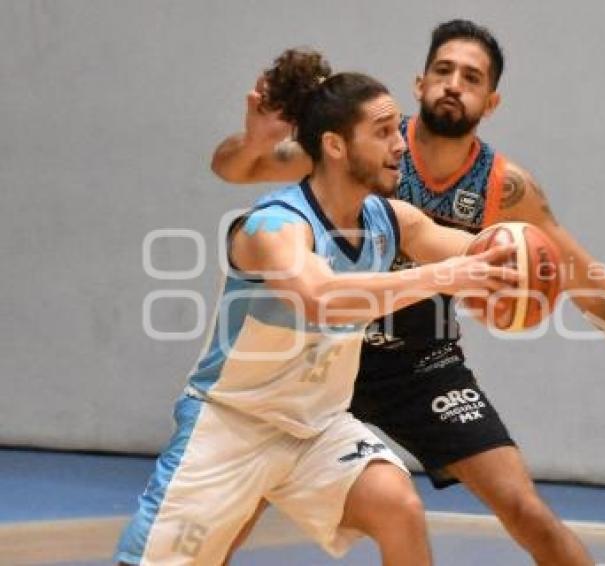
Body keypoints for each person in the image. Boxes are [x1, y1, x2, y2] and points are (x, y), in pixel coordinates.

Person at [212, 20, 605, 566]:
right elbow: (233, 168)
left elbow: (583, 277)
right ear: (419, 83)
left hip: (422, 364)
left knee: (525, 508)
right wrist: (252, 142)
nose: (453, 84)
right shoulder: (367, 147)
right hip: (325, 354)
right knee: (237, 505)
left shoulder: (503, 187)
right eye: (443, 70)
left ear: (492, 100)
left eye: (471, 77)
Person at [115, 48, 518, 565]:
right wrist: (445, 276)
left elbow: (475, 250)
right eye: (384, 132)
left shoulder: (391, 219)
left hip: (317, 429)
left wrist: (515, 264)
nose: (400, 145)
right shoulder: (274, 226)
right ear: (334, 144)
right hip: (235, 425)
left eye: (399, 129)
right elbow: (320, 297)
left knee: (398, 505)